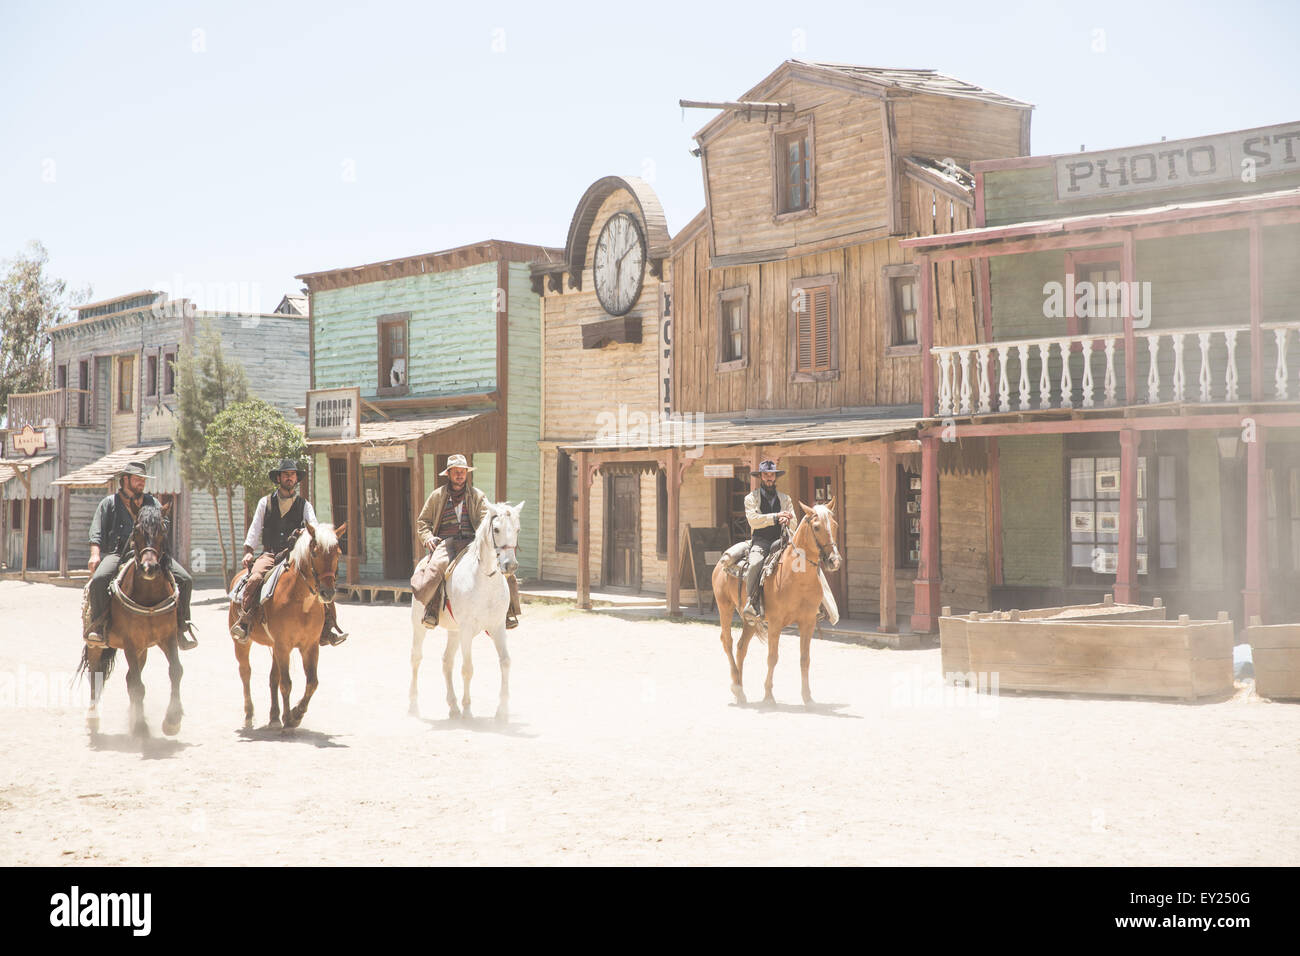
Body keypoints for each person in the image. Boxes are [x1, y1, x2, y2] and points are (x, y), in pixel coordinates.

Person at [229, 458, 347, 645]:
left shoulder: (304, 505)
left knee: (322, 582)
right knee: (254, 578)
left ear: (296, 479)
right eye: (286, 475)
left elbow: (313, 528)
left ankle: (328, 627)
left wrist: (309, 533)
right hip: (270, 554)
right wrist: (249, 550)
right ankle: (245, 621)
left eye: (292, 475)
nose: (289, 478)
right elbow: (255, 528)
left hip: (294, 556)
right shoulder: (265, 503)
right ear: (279, 478)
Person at [84, 461, 196, 649]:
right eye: (137, 479)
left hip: (150, 553)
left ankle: (181, 626)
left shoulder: (152, 503)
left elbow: (164, 524)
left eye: (143, 479)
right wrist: (94, 555)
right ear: (125, 480)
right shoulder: (109, 503)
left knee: (185, 579)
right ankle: (99, 626)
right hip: (119, 553)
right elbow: (96, 532)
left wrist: (156, 522)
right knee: (100, 579)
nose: (141, 483)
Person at [414, 454, 520, 629]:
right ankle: (432, 610)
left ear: (466, 473)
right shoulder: (437, 496)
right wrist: (428, 538)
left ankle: (508, 612)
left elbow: (485, 520)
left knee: (505, 570)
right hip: (446, 543)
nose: (460, 475)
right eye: (456, 471)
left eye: (462, 471)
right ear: (448, 473)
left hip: (472, 543)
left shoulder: (478, 496)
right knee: (435, 570)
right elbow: (422, 522)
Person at [740, 459, 795, 624]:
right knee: (755, 563)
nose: (769, 478)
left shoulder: (785, 499)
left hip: (782, 541)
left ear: (775, 477)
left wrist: (788, 520)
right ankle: (751, 602)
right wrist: (777, 516)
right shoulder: (751, 498)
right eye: (766, 475)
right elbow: (753, 520)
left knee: (806, 560)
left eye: (772, 475)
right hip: (762, 542)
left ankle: (817, 604)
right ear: (761, 477)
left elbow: (794, 521)